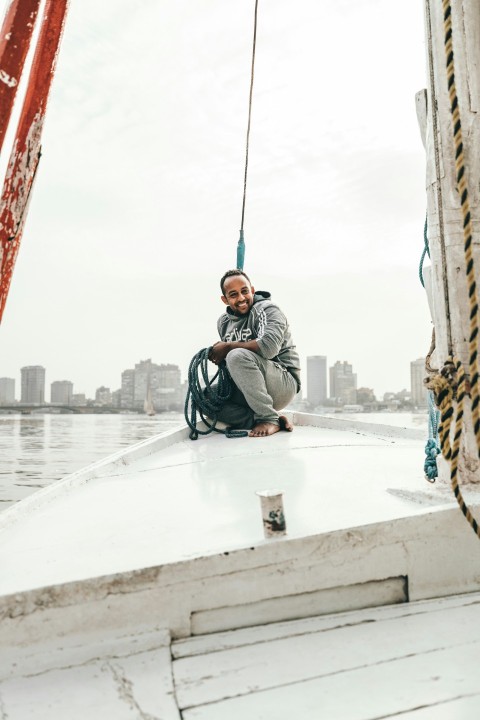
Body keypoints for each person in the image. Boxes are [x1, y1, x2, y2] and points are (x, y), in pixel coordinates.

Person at [208, 269, 301, 437]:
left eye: (244, 291)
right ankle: (270, 419)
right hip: (251, 388)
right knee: (204, 397)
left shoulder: (268, 310)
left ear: (252, 290)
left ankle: (268, 418)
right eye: (234, 294)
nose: (241, 298)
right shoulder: (223, 322)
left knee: (236, 355)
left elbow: (268, 348)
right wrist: (217, 355)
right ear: (225, 299)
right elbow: (232, 364)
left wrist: (228, 347)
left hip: (283, 383)